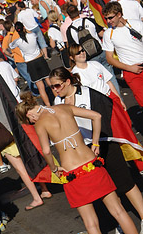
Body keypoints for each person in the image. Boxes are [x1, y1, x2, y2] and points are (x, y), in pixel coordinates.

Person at [16, 93, 138, 234]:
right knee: (119, 211)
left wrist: (54, 168)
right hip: (92, 163)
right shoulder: (64, 107)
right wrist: (95, 142)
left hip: (72, 173)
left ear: (29, 114)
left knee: (91, 223)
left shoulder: (41, 123)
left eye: (30, 121)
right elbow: (96, 116)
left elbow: (46, 151)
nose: (32, 122)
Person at [49, 67, 143, 230]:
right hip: (85, 153)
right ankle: (122, 221)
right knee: (108, 189)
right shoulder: (58, 103)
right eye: (52, 87)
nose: (54, 90)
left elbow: (107, 116)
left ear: (67, 82)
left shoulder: (88, 93)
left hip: (105, 143)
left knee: (125, 183)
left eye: (56, 85)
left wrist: (96, 142)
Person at [0, 72, 49, 209]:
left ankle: (36, 198)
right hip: (18, 131)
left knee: (21, 170)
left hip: (5, 137)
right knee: (30, 161)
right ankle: (44, 190)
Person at [102, 1, 143, 106]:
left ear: (119, 14)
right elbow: (109, 59)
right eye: (106, 18)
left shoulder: (137, 24)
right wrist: (130, 68)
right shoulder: (108, 34)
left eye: (110, 18)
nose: (108, 21)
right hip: (132, 72)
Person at [8, 22, 53, 105]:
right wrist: (25, 28)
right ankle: (59, 98)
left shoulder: (18, 42)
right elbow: (32, 33)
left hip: (31, 63)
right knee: (50, 82)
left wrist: (11, 33)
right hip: (39, 59)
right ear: (24, 27)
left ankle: (49, 106)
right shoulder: (32, 35)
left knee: (41, 88)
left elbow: (10, 45)